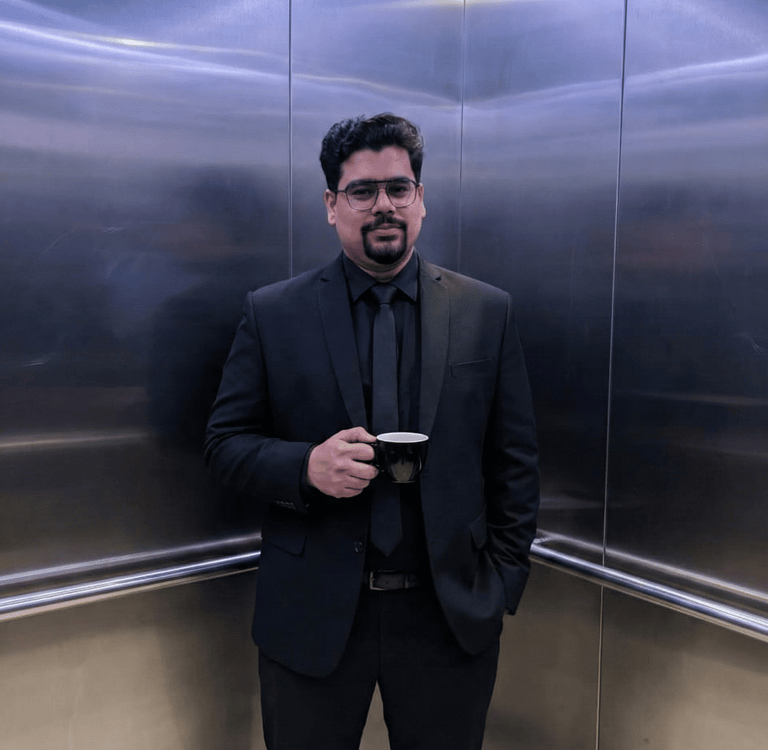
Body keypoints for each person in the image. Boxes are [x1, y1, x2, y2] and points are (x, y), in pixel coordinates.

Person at [204, 113, 539, 750]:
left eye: (399, 188)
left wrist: (501, 585)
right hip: (311, 617)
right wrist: (305, 467)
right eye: (362, 191)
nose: (383, 205)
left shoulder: (485, 313)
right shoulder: (273, 313)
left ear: (421, 200)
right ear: (332, 205)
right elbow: (224, 445)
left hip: (449, 618)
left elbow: (515, 461)